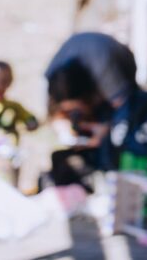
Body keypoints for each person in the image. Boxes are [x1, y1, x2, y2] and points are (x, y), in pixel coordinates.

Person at [44, 32, 137, 189]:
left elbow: (127, 111)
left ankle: (108, 179)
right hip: (85, 63)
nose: (76, 116)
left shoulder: (106, 72)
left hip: (119, 65)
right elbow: (53, 116)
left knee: (114, 140)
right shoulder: (51, 77)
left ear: (93, 97)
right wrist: (65, 130)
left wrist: (105, 131)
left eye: (78, 110)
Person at [0, 61, 39, 148]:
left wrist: (31, 124)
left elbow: (29, 119)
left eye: (4, 81)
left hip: (10, 151)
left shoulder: (13, 106)